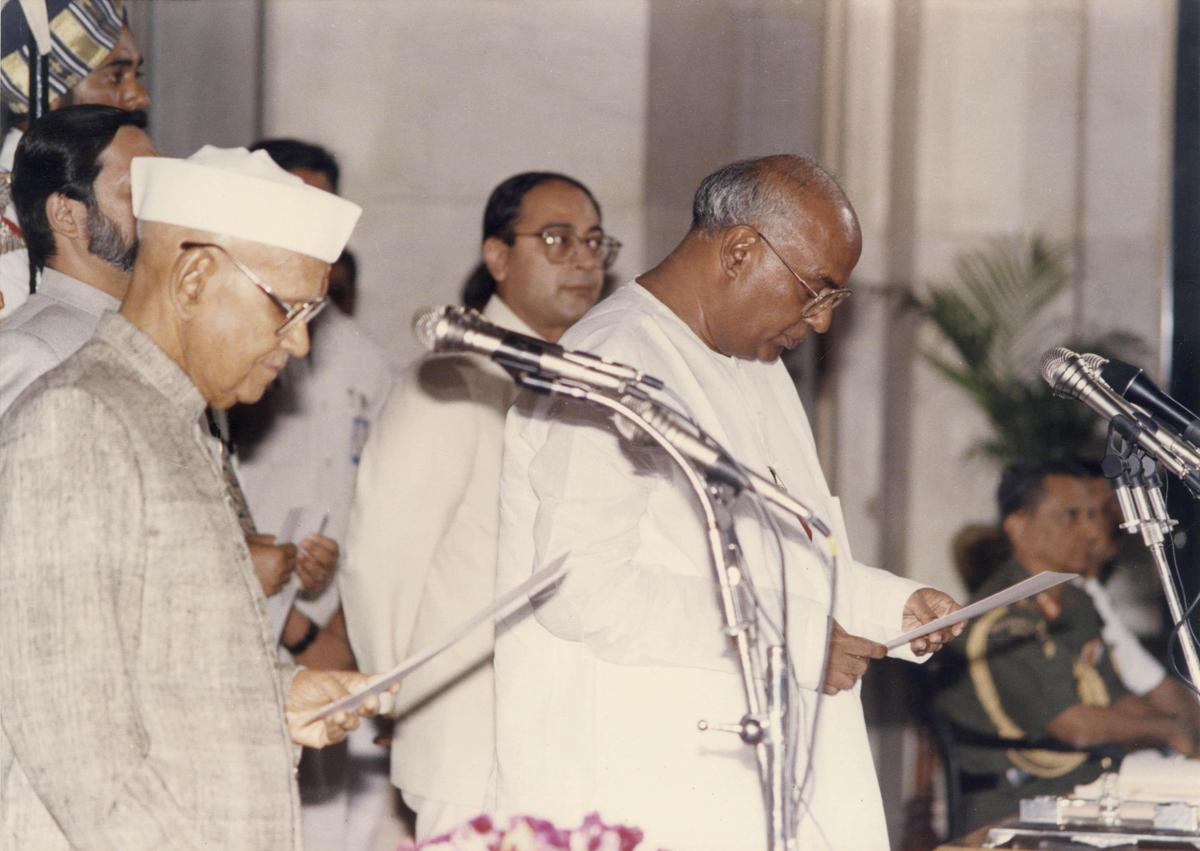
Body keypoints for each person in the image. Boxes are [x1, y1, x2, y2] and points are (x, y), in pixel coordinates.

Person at [491, 155, 961, 850]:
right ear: (741, 250)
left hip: (761, 771)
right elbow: (583, 591)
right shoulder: (613, 358)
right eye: (816, 291)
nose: (823, 322)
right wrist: (792, 641)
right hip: (650, 780)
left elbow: (787, 558)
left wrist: (894, 604)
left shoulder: (758, 366)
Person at [0, 144, 387, 848]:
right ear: (197, 276)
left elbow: (157, 664)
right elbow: (76, 739)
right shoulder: (80, 419)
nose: (300, 343)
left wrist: (279, 694)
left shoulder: (170, 416)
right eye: (287, 308)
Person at [340, 171, 613, 839]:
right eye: (556, 238)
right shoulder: (453, 377)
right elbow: (381, 559)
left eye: (596, 240)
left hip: (567, 741)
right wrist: (399, 695)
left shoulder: (591, 381)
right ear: (498, 257)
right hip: (469, 741)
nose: (583, 258)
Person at [235, 135, 398, 851]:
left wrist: (326, 602)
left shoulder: (363, 352)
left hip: (324, 629)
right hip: (245, 623)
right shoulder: (233, 335)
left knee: (330, 825)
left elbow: (366, 494)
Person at [935, 459, 1199, 832]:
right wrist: (1169, 732)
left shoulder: (1075, 604)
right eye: (1071, 516)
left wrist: (1180, 730)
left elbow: (1115, 697)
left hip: (1085, 791)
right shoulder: (1002, 624)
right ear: (1018, 526)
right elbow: (1075, 726)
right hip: (1015, 809)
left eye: (1092, 514)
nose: (1090, 530)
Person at [1, 0, 150, 319]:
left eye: (137, 73)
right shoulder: (6, 223)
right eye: (116, 76)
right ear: (52, 94)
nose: (140, 96)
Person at [0, 105, 153, 415]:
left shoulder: (145, 329)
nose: (160, 210)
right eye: (140, 191)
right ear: (66, 215)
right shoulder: (34, 352)